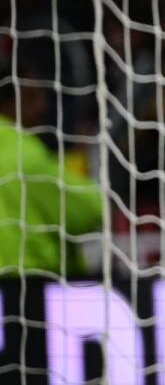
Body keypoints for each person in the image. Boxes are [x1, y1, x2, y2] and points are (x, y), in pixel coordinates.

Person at [0, 73, 104, 276]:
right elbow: (92, 211)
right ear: (7, 103)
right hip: (34, 280)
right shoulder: (26, 156)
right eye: (31, 97)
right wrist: (78, 166)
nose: (42, 107)